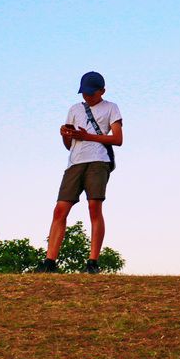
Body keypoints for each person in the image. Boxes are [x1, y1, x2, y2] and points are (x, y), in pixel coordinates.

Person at [36, 71, 123, 274]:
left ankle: (92, 262)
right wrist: (66, 135)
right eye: (84, 92)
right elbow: (69, 146)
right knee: (60, 210)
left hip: (98, 161)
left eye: (91, 93)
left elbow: (118, 139)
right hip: (75, 162)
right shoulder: (75, 109)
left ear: (102, 91)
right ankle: (50, 262)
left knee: (94, 207)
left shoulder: (111, 107)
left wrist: (87, 136)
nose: (87, 96)